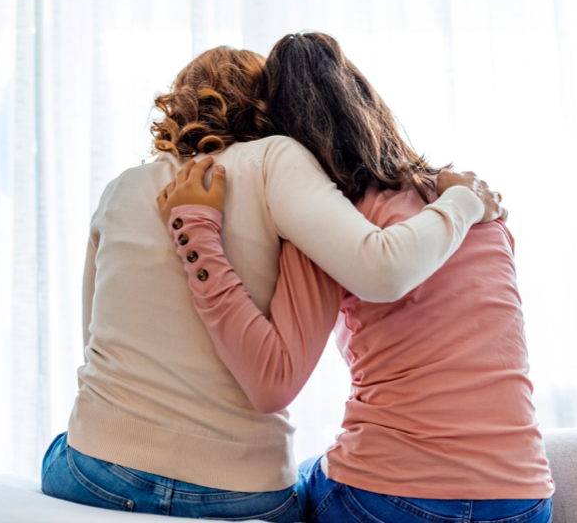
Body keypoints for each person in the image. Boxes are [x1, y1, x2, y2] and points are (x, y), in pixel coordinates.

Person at [41, 45, 502, 520]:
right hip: (240, 487)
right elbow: (376, 268)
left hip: (97, 470)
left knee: (63, 444)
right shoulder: (278, 160)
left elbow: (94, 339)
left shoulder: (121, 187)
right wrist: (462, 201)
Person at [158, 33, 553, 523]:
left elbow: (270, 382)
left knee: (279, 490)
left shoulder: (331, 224)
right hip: (524, 496)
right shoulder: (478, 207)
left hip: (391, 496)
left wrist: (197, 234)